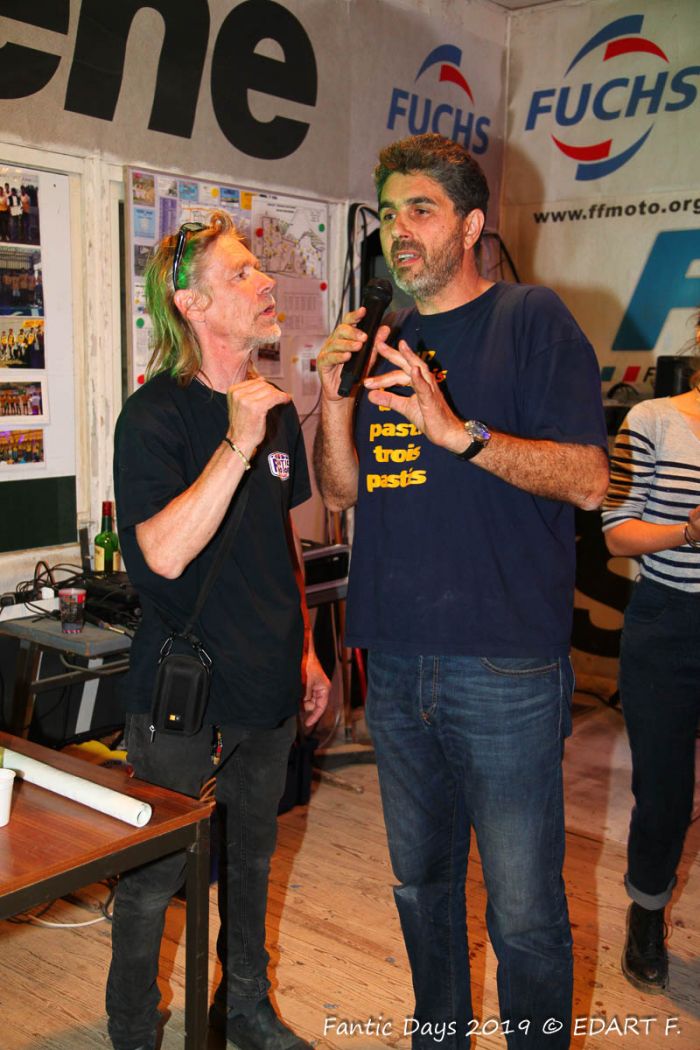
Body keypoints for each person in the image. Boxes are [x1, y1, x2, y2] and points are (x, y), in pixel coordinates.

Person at [313, 133, 609, 1049]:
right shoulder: (382, 339)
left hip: (504, 664)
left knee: (524, 912)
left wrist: (459, 434)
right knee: (421, 889)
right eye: (388, 212)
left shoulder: (532, 318)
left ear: (473, 226)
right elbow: (340, 491)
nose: (398, 230)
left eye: (422, 209)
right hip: (396, 658)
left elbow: (590, 481)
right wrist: (334, 398)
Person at [109, 211, 329, 1050]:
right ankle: (134, 1028)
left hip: (267, 683)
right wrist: (235, 444)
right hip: (185, 695)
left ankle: (243, 1007)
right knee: (154, 874)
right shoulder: (153, 416)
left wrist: (306, 650)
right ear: (192, 304)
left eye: (259, 269)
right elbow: (160, 554)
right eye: (242, 273)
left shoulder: (278, 410)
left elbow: (281, 541)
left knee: (250, 860)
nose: (266, 282)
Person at [601, 345, 700, 994]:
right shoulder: (653, 420)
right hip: (669, 626)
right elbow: (616, 531)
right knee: (664, 794)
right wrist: (688, 532)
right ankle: (646, 910)